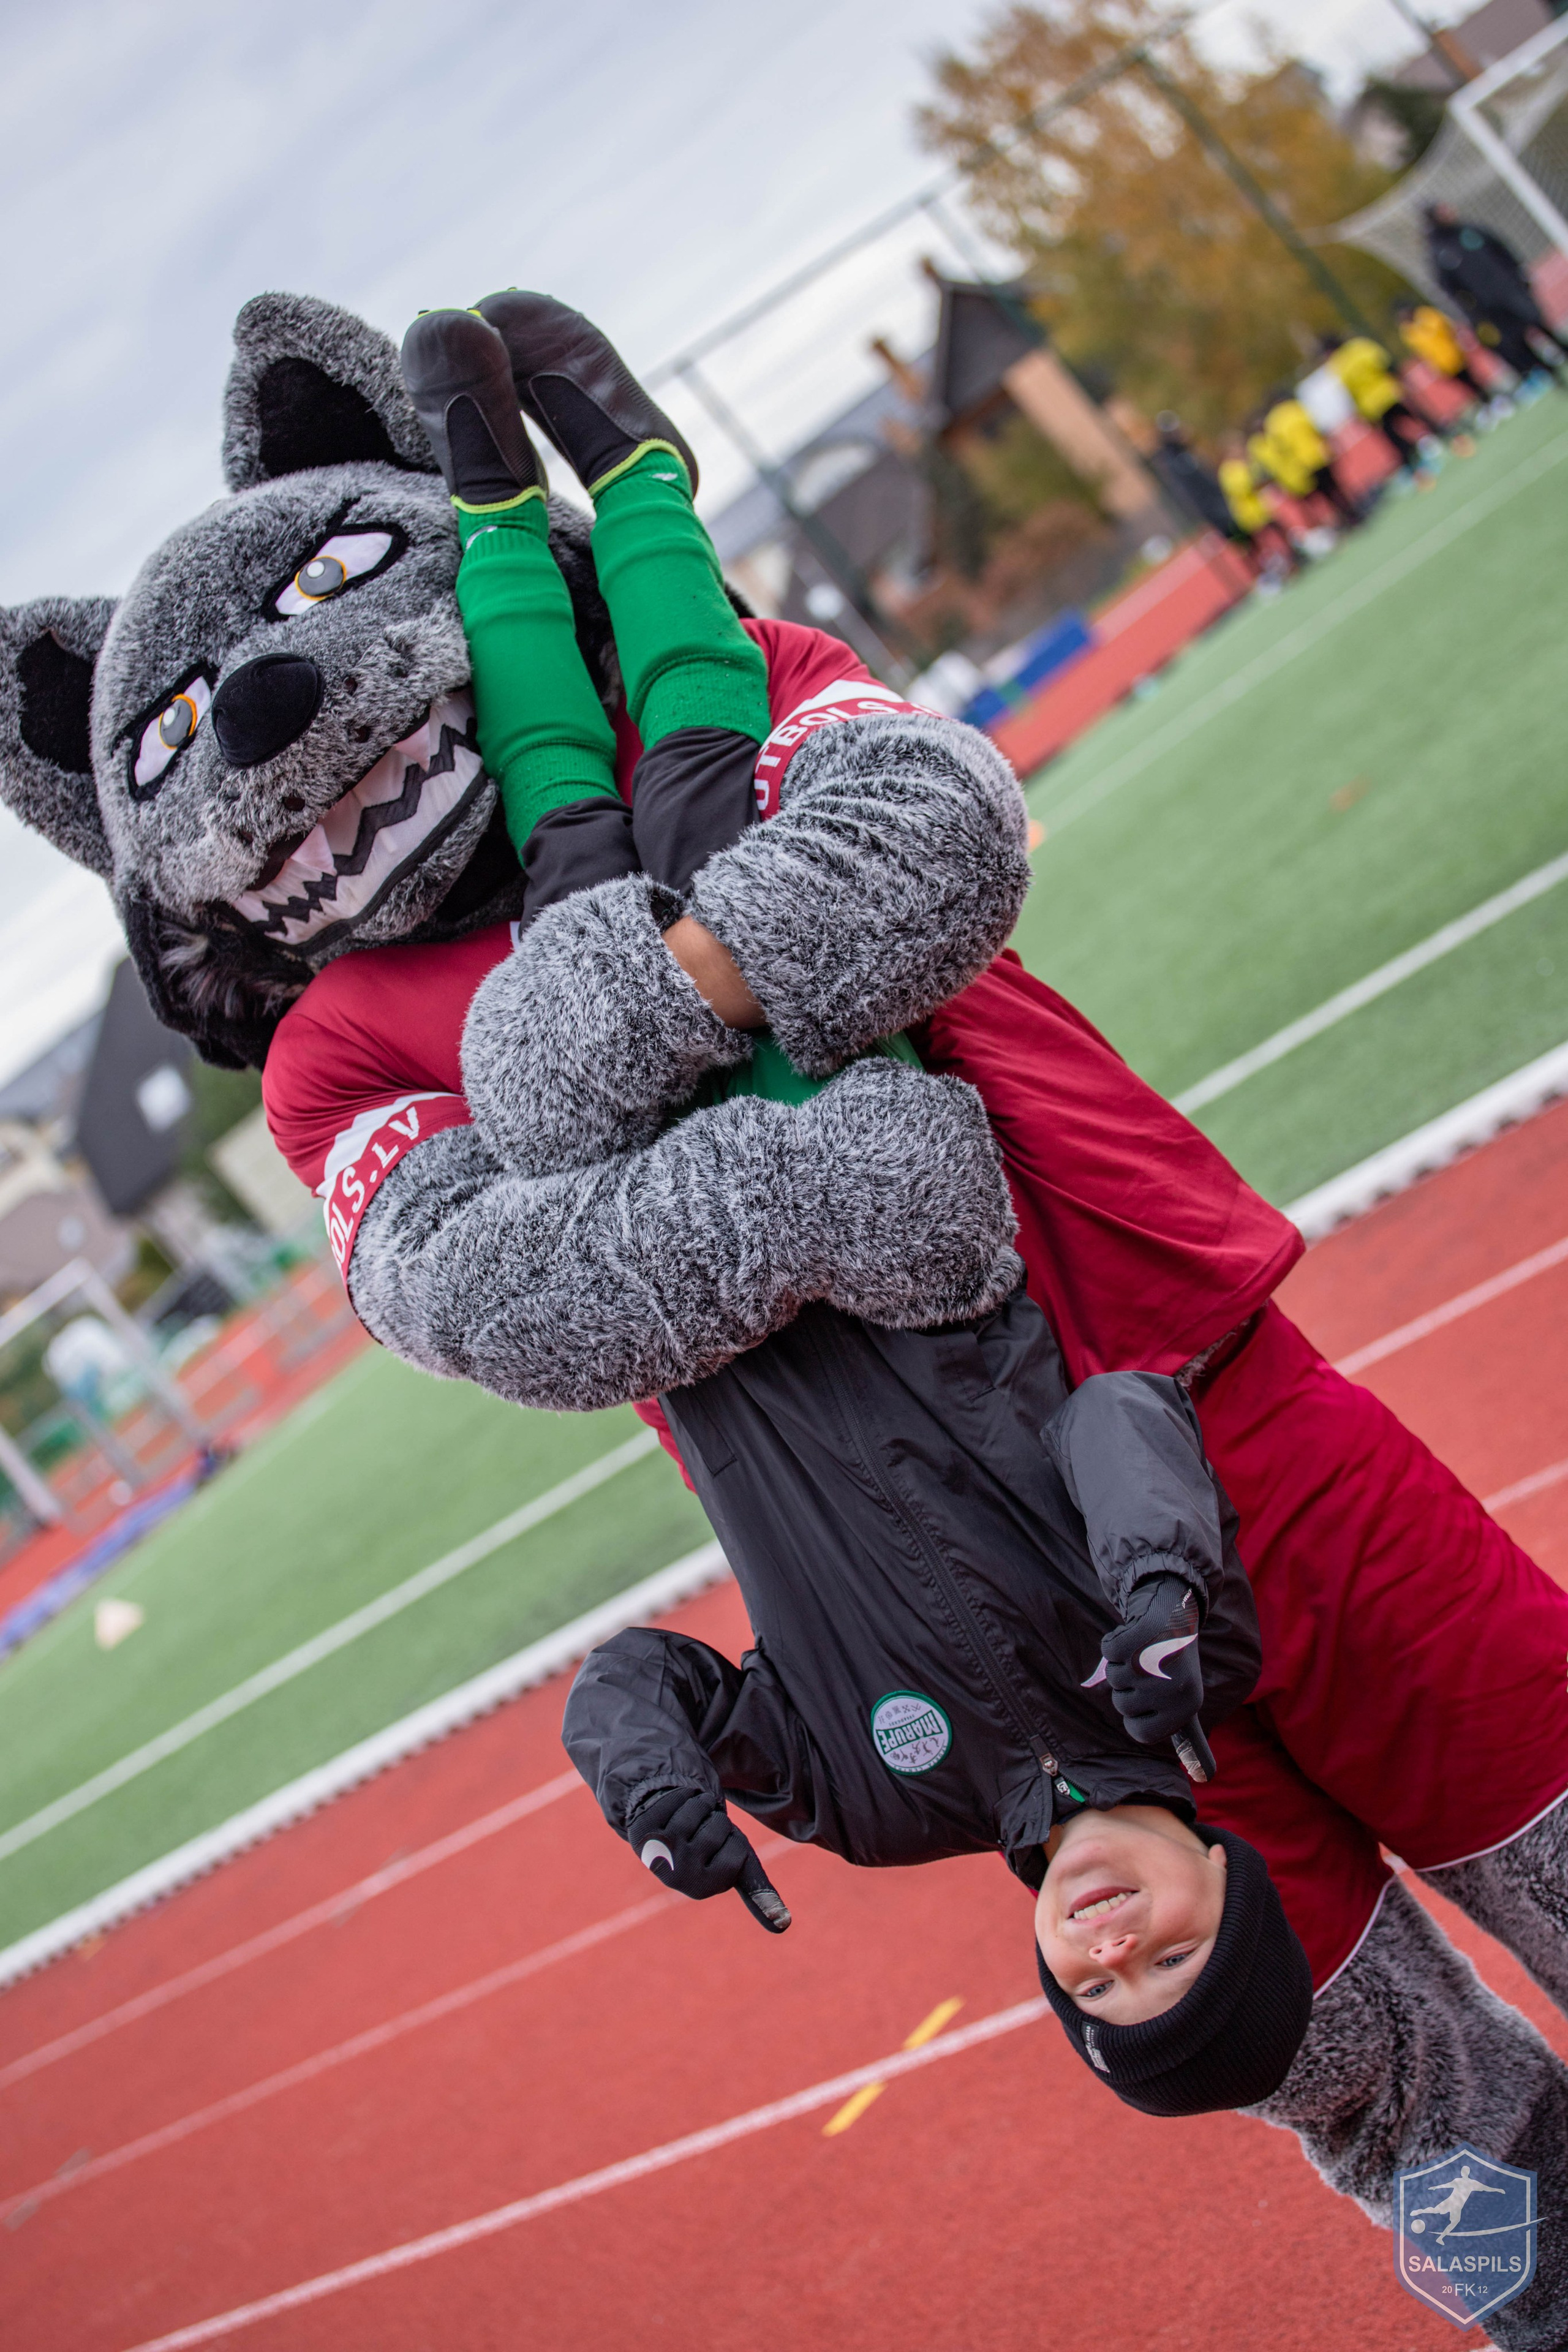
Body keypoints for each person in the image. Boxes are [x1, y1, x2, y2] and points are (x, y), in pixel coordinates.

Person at [1425, 202, 1568, 385]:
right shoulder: (1439, 253)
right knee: (1517, 338)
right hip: (1490, 306)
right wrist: (1475, 314)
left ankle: (1562, 349)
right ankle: (1549, 373)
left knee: (1537, 320)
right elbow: (1451, 289)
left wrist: (1518, 272)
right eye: (1443, 211)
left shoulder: (1470, 230)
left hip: (1510, 289)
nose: (1450, 212)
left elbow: (1500, 248)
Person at [1316, 331, 1438, 483]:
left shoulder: (1339, 366)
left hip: (1373, 405)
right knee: (1415, 417)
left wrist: (1361, 413)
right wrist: (1399, 379)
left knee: (1394, 436)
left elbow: (1350, 392)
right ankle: (1437, 439)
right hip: (1388, 392)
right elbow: (1384, 362)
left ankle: (1415, 464)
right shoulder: (1359, 346)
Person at [1248, 394, 1360, 532]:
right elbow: (1314, 425)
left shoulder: (1273, 424)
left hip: (1303, 463)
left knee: (1323, 493)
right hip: (1319, 452)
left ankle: (1340, 520)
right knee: (1335, 486)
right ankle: (1352, 514)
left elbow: (1282, 449)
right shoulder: (1294, 408)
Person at [1395, 297, 1495, 428]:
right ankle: (1484, 405)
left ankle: (1492, 401)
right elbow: (1421, 351)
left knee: (1472, 378)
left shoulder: (1426, 315)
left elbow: (1444, 328)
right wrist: (1432, 366)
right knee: (1463, 386)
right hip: (1441, 363)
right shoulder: (1407, 332)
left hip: (1453, 353)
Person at [1217, 432, 1297, 581]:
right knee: (1265, 541)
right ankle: (1277, 568)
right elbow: (1244, 486)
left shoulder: (1242, 464)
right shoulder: (1228, 471)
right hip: (1249, 513)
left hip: (1260, 507)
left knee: (1278, 529)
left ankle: (1292, 556)